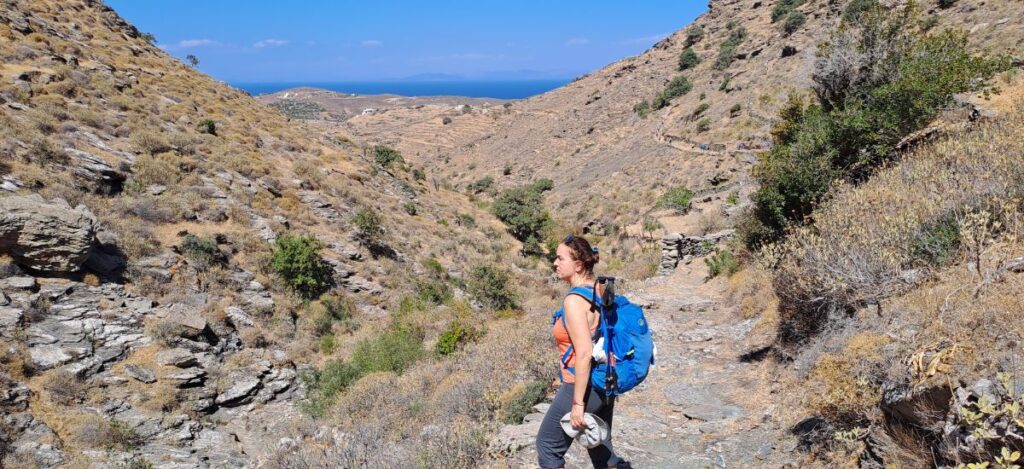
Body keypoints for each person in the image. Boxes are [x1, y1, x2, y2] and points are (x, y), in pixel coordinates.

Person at [536, 235, 624, 469]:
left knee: (548, 446)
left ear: (578, 265)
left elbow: (584, 353)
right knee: (600, 447)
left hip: (581, 384)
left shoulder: (574, 300)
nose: (555, 263)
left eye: (559, 258)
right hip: (605, 379)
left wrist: (577, 404)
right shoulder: (599, 290)